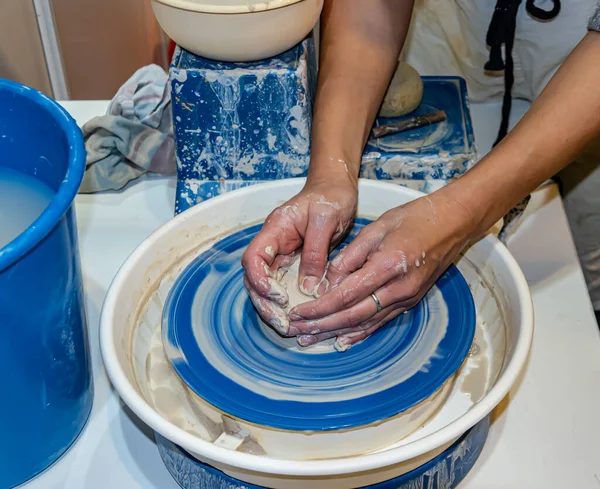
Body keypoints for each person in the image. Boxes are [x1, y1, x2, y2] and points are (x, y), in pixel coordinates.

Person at [242, 0, 600, 351]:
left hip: (584, 59)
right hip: (460, 34)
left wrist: (459, 212)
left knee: (572, 284)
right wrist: (330, 174)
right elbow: (371, 13)